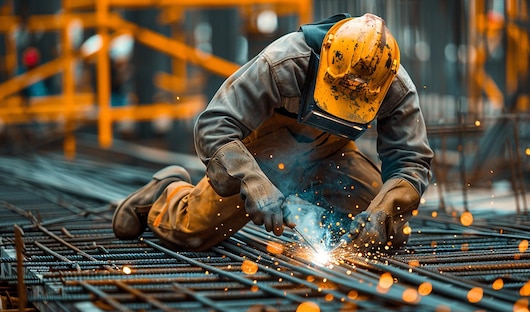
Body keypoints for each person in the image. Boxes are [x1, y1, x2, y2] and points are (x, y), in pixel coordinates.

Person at [112, 13, 433, 254]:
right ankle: (165, 192)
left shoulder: (394, 87)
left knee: (387, 233)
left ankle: (335, 236)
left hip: (331, 153)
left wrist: (383, 210)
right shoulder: (284, 62)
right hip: (262, 153)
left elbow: (411, 162)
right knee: (192, 233)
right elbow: (213, 126)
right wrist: (252, 180)